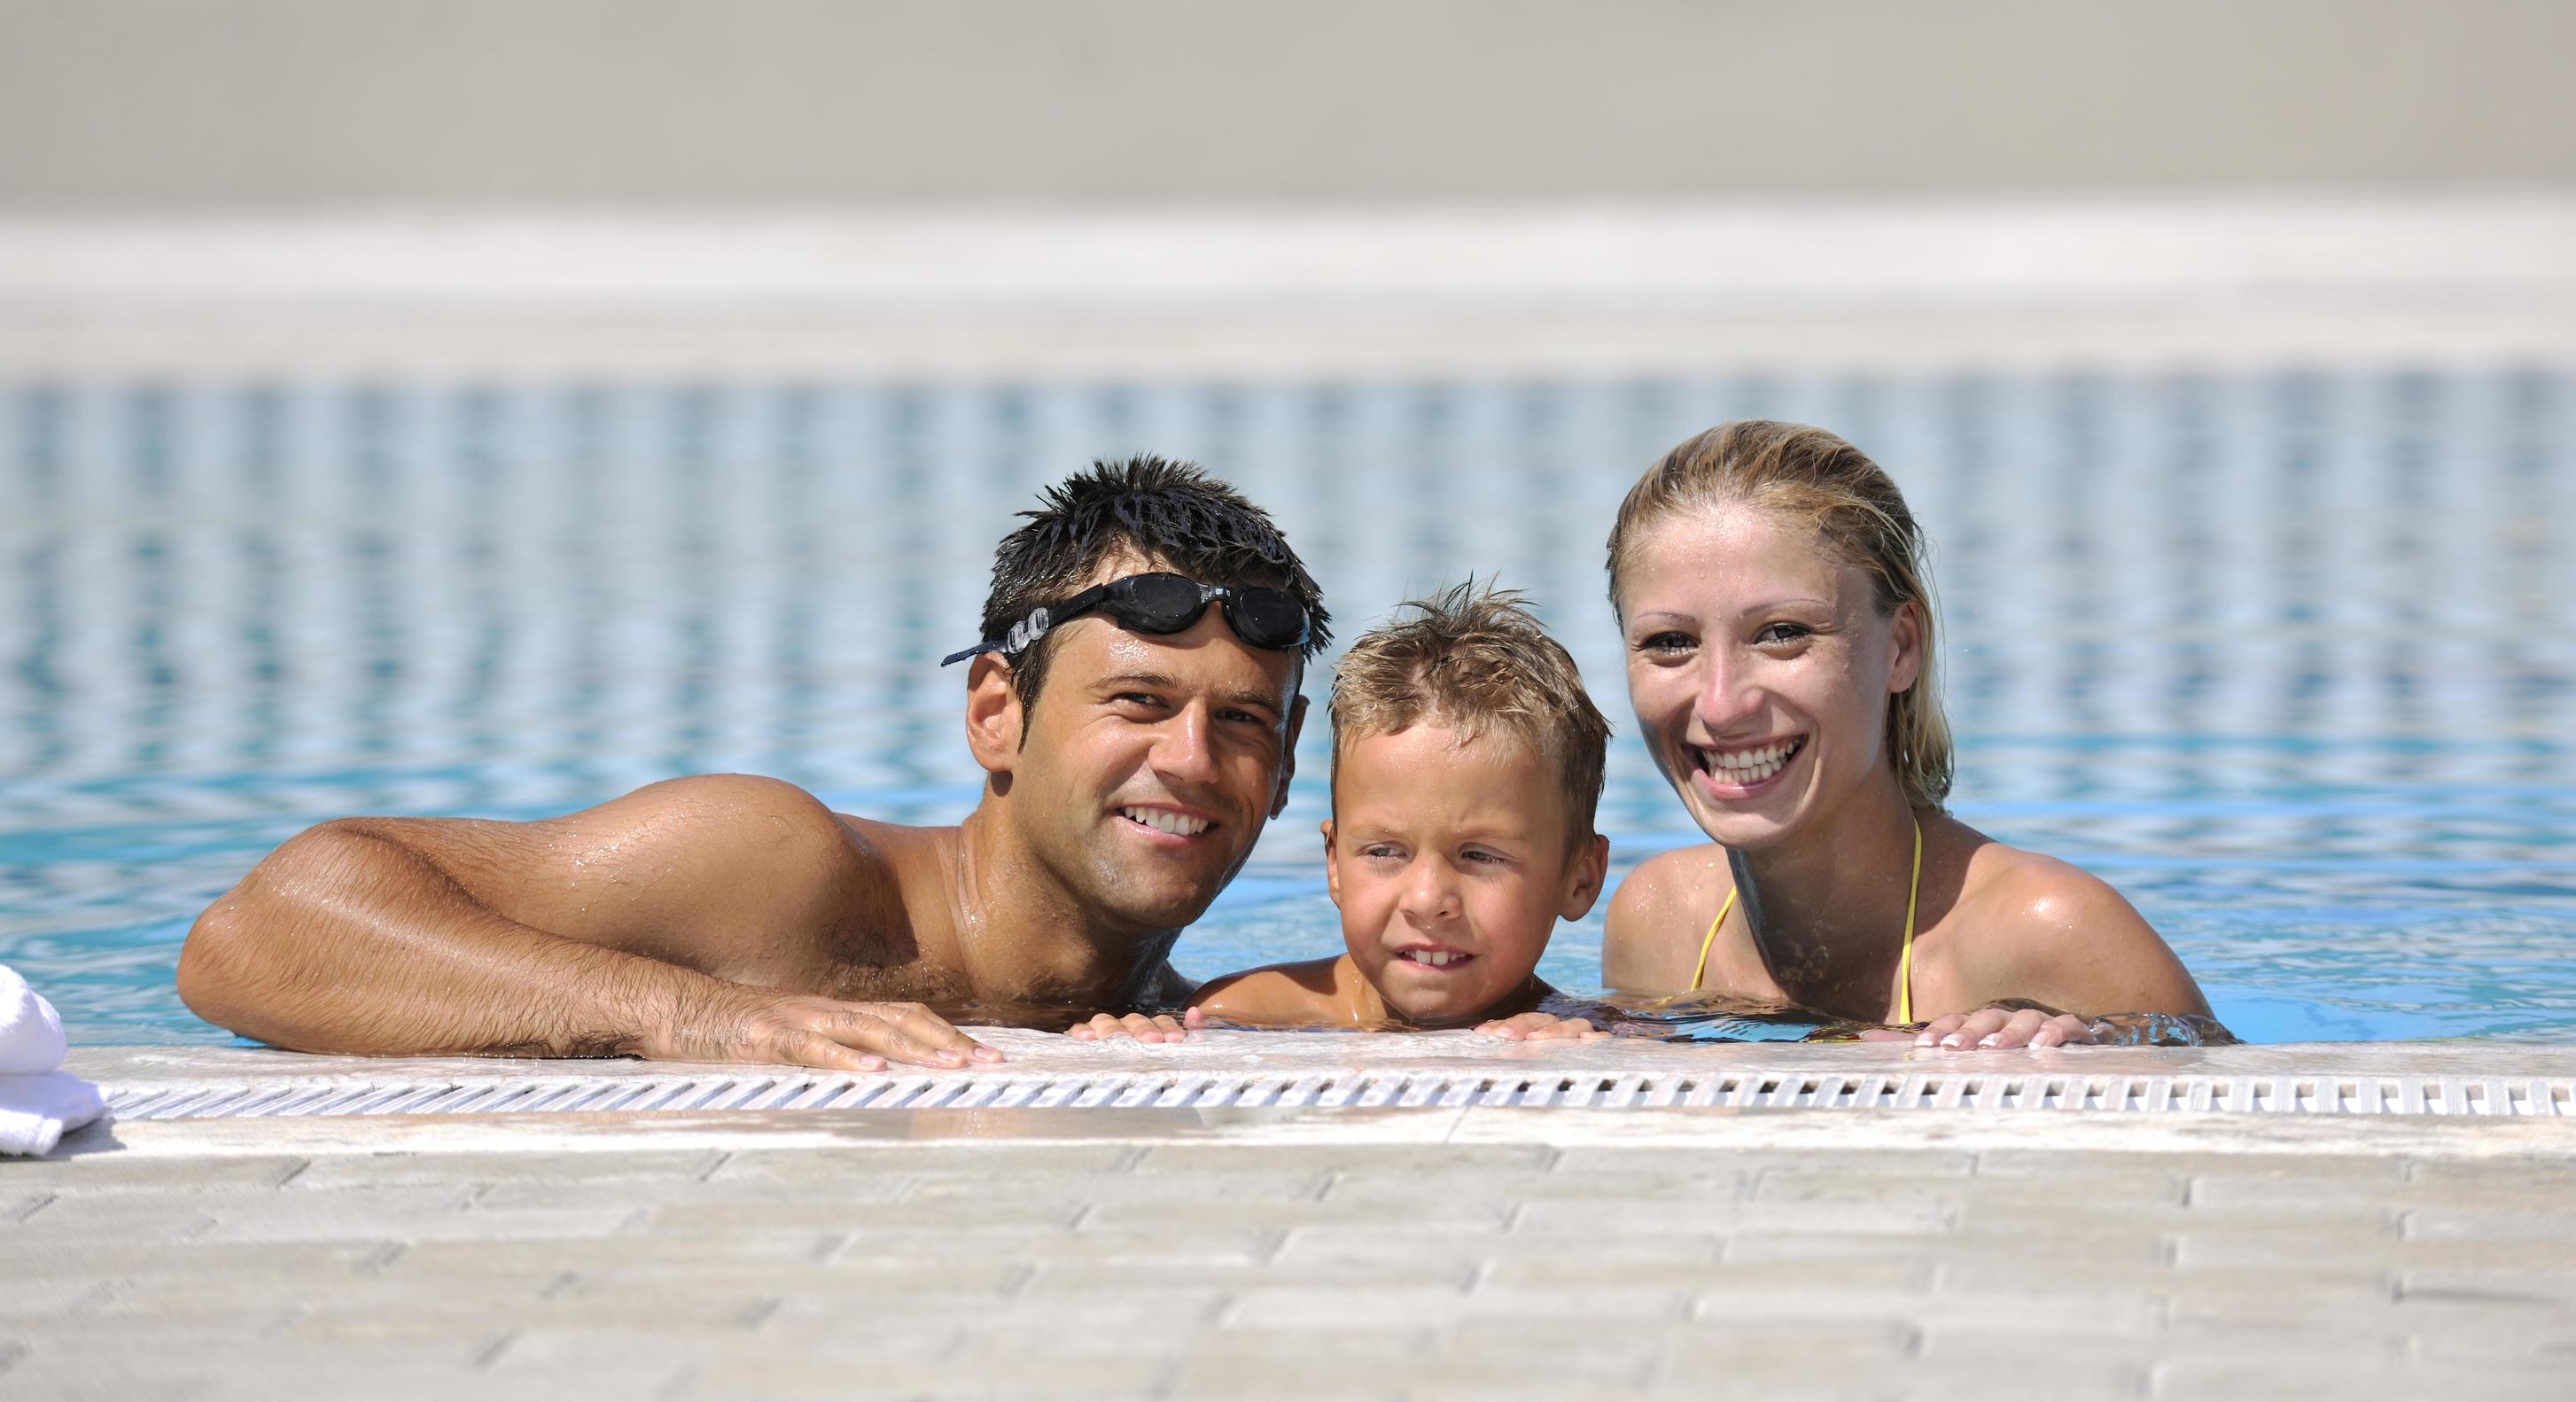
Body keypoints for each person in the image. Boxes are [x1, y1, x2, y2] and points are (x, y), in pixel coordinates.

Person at [175, 456, 1330, 1071]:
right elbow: (256, 934)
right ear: (994, 715)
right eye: (1137, 701)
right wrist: (692, 1017)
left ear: (1283, 774)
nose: (1188, 759)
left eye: (1240, 723)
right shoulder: (780, 870)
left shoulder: (1172, 1016)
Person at [1596, 421, 2214, 1049]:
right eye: (1670, 643)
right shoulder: (1658, 922)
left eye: (1782, 633)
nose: (1723, 705)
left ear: (1901, 646)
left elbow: (2225, 1099)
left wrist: (2097, 1048)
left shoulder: (2053, 931)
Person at [1070, 581, 1609, 1040]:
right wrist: (1133, 1038)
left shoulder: (1587, 1030)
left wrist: (1594, 1049)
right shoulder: (1239, 1014)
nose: (1426, 902)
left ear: (1580, 879)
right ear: (1334, 864)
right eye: (1383, 851)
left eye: (1480, 856)